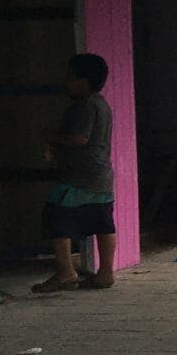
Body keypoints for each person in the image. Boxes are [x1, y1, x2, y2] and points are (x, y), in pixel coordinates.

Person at [35, 52, 118, 293]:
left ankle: (65, 271)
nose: (66, 82)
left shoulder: (84, 107)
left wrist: (50, 136)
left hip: (79, 178)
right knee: (103, 223)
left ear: (84, 81)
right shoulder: (102, 104)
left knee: (56, 215)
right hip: (101, 176)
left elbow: (79, 139)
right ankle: (105, 273)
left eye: (70, 77)